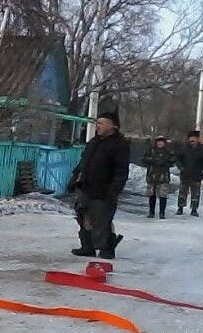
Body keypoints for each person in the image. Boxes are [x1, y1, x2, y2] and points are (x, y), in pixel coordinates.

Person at [67, 108, 130, 259]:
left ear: (113, 126)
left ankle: (107, 248)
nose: (98, 126)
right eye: (97, 123)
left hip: (104, 189)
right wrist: (74, 178)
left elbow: (121, 170)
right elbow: (83, 162)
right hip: (86, 187)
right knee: (83, 216)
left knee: (101, 219)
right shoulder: (94, 142)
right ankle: (87, 246)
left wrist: (114, 190)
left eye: (102, 123)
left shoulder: (119, 145)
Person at [175, 129, 203, 217]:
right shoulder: (184, 148)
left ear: (197, 139)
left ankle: (194, 209)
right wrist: (180, 167)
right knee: (182, 193)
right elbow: (177, 158)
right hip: (185, 174)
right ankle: (180, 208)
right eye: (191, 138)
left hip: (197, 175)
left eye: (194, 138)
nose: (192, 140)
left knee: (196, 193)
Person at [142, 135, 175, 219]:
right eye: (158, 141)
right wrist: (153, 160)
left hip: (163, 177)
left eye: (162, 142)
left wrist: (164, 162)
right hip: (152, 176)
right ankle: (151, 212)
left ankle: (162, 213)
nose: (160, 143)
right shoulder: (151, 150)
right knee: (151, 195)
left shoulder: (168, 151)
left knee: (163, 196)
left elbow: (173, 161)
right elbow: (143, 158)